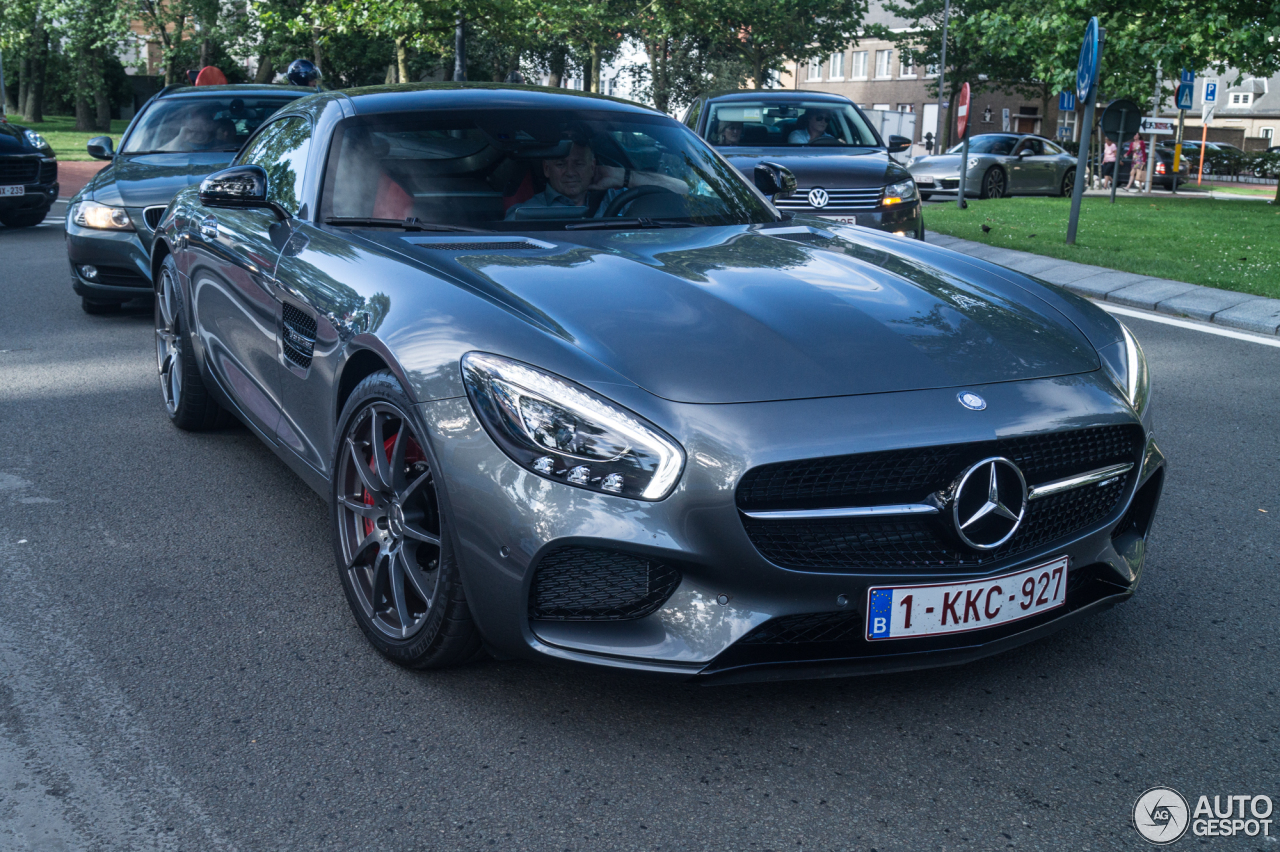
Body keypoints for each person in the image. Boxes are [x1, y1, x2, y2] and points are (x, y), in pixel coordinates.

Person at [505, 136, 688, 219]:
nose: (570, 172)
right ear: (546, 169)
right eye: (561, 164)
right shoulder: (524, 213)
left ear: (592, 166)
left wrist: (622, 175)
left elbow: (682, 190)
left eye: (579, 164)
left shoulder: (618, 199)